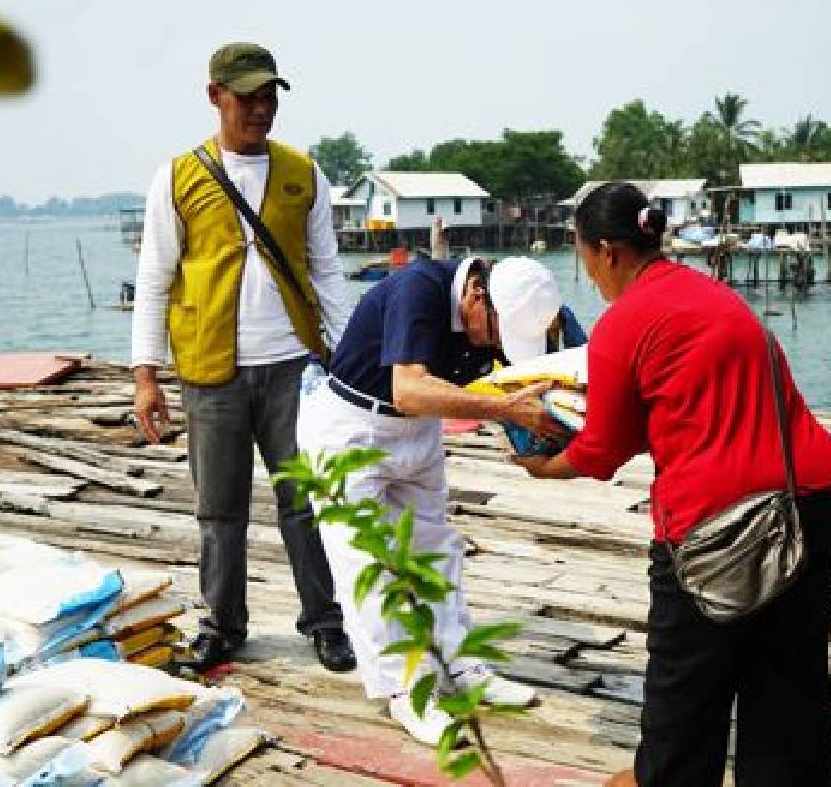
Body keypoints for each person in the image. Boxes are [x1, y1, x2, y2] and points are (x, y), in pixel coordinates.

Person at [516, 182, 831, 786]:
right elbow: (693, 404)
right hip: (818, 498)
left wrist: (546, 465)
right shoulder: (714, 294)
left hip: (719, 527)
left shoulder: (623, 323)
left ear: (607, 251)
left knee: (686, 696)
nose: (588, 275)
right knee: (788, 690)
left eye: (584, 259)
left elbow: (601, 450)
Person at [131, 42, 356, 674]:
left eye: (269, 97)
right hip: (211, 372)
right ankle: (223, 625)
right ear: (215, 96)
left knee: (306, 500)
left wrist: (347, 354)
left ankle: (325, 620)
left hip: (296, 368)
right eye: (247, 97)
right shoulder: (177, 177)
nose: (261, 110)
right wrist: (145, 376)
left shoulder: (302, 173)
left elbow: (327, 270)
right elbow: (154, 276)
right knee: (218, 510)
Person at [297, 255, 569, 746]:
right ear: (476, 296)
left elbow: (530, 377)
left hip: (418, 433)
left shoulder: (505, 308)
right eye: (495, 334)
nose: (492, 346)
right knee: (369, 565)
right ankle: (405, 690)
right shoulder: (418, 287)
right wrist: (505, 408)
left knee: (438, 550)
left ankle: (458, 662)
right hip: (352, 428)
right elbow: (409, 388)